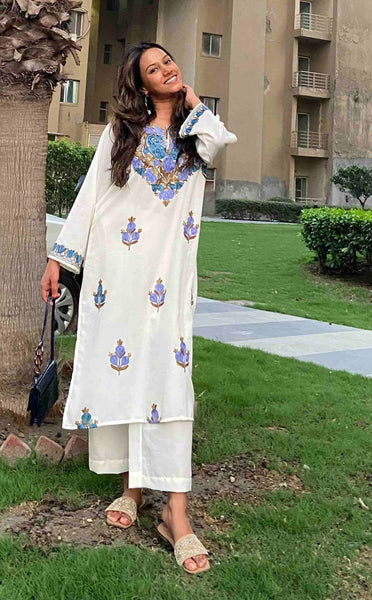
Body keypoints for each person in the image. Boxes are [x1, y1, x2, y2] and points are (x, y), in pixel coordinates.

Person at [40, 41, 237, 574]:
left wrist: (190, 99)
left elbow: (220, 139)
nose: (167, 69)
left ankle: (177, 513)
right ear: (140, 84)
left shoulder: (196, 135)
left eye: (168, 61)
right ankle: (132, 488)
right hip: (119, 280)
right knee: (126, 375)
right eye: (154, 68)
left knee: (169, 382)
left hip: (170, 283)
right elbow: (90, 198)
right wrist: (61, 258)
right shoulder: (120, 135)